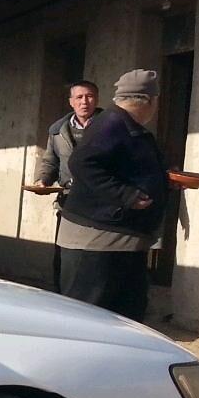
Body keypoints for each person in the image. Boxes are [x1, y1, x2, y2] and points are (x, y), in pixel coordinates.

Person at [57, 69, 169, 321]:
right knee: (88, 318)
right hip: (98, 241)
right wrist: (126, 195)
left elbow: (124, 168)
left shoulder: (126, 126)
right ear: (149, 101)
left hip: (120, 241)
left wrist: (164, 181)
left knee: (125, 316)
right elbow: (83, 164)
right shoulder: (111, 124)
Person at [27, 80, 102, 286]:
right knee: (64, 254)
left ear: (97, 99)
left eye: (89, 96)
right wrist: (43, 180)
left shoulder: (110, 127)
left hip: (100, 203)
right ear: (71, 102)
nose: (84, 101)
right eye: (79, 97)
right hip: (68, 201)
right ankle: (61, 295)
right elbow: (50, 160)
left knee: (92, 255)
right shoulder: (58, 131)